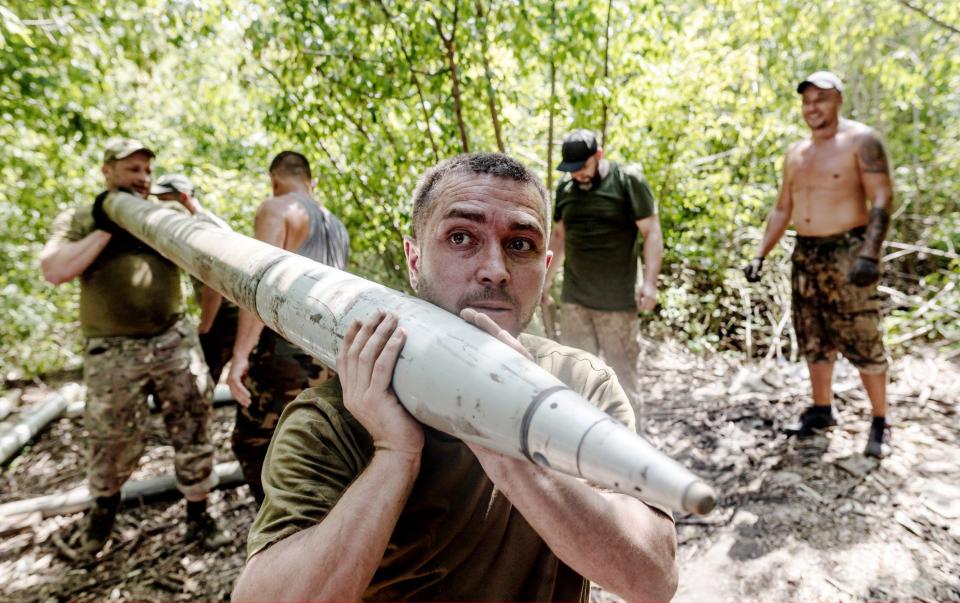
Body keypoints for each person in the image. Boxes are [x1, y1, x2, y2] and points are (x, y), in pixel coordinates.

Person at [231, 153, 678, 602]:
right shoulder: (337, 414)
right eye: (461, 237)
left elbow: (653, 579)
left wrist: (510, 442)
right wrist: (394, 454)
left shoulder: (578, 384)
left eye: (519, 244)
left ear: (544, 270)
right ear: (414, 258)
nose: (495, 269)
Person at [40, 139, 227, 556]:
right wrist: (110, 226)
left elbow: (210, 268)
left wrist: (203, 327)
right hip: (112, 349)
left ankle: (199, 515)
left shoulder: (168, 216)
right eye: (132, 170)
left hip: (173, 340)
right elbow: (54, 269)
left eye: (146, 170)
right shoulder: (84, 217)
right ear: (108, 171)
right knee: (111, 438)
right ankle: (101, 517)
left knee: (194, 423)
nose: (142, 179)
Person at [744, 71, 894, 457]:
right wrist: (760, 254)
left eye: (821, 99)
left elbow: (881, 199)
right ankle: (822, 409)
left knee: (863, 337)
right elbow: (782, 209)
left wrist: (868, 254)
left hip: (848, 251)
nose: (813, 107)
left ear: (839, 99)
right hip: (806, 254)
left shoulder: (861, 141)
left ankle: (880, 421)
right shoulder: (796, 153)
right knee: (812, 335)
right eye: (807, 100)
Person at [226, 151, 349, 505]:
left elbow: (260, 283)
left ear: (274, 179)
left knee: (253, 444)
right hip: (331, 352)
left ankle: (282, 535)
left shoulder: (277, 208)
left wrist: (240, 356)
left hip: (287, 351)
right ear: (312, 180)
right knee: (316, 443)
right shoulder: (334, 223)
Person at [543, 129, 664, 418]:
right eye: (571, 171)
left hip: (617, 305)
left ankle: (633, 452)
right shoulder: (566, 190)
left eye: (582, 168)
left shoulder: (627, 181)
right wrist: (543, 281)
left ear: (599, 156)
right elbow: (558, 237)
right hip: (575, 301)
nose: (577, 175)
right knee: (576, 379)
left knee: (622, 383)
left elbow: (652, 232)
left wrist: (649, 283)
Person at [152, 173, 238, 383]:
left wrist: (205, 325)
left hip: (225, 314)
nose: (160, 206)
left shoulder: (202, 226)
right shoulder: (193, 223)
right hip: (224, 314)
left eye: (164, 200)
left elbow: (215, 280)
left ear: (182, 197)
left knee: (202, 380)